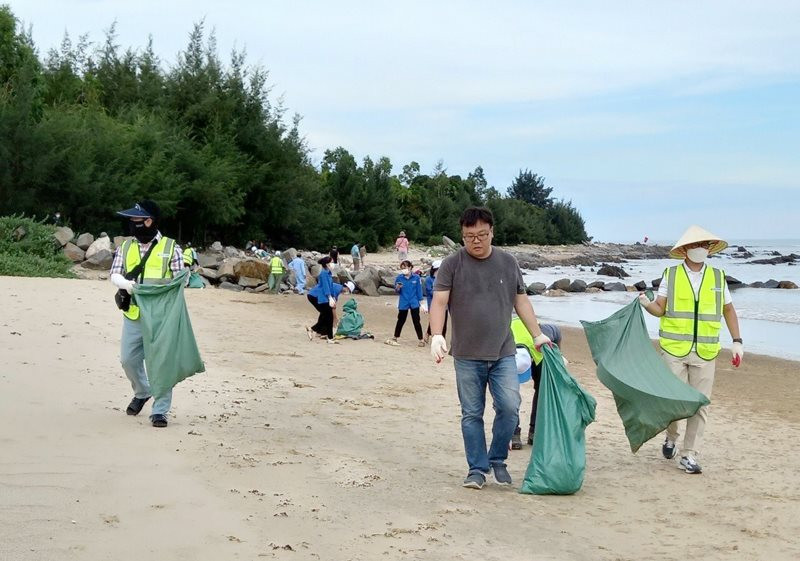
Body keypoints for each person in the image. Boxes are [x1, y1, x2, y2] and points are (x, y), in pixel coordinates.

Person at [429, 206, 551, 489]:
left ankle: (497, 459)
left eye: (482, 234)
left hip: (503, 352)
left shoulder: (508, 263)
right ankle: (477, 469)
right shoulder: (452, 264)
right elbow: (439, 301)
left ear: (492, 232)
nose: (476, 240)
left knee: (510, 407)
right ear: (462, 236)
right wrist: (437, 334)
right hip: (467, 355)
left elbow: (521, 301)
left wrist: (537, 335)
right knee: (472, 414)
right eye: (469, 236)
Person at [639, 225, 743, 474]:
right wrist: (645, 304)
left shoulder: (718, 277)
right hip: (674, 349)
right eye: (697, 245)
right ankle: (671, 437)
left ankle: (689, 455)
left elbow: (728, 309)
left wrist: (737, 341)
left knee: (700, 404)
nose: (702, 249)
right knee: (674, 402)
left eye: (705, 245)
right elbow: (660, 309)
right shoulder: (671, 275)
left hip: (706, 352)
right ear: (685, 249)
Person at [109, 200, 184, 428]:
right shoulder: (126, 247)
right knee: (128, 359)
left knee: (161, 363)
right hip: (133, 314)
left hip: (162, 317)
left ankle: (160, 410)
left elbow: (181, 280)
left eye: (136, 221)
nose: (132, 225)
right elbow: (114, 274)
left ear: (149, 221)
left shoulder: (172, 248)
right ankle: (143, 391)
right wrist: (127, 285)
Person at [510, 321, 562, 449]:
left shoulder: (548, 332)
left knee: (542, 389)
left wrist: (558, 355)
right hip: (512, 351)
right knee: (510, 393)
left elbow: (557, 335)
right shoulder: (505, 341)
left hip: (539, 348)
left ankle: (535, 432)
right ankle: (513, 432)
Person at [306, 256, 352, 343]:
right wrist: (330, 297)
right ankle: (328, 337)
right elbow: (326, 287)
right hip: (319, 297)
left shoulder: (328, 273)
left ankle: (314, 330)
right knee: (328, 316)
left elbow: (330, 286)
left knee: (326, 315)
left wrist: (331, 298)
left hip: (323, 297)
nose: (333, 264)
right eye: (331, 262)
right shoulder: (324, 273)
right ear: (327, 264)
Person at [385, 260, 426, 347]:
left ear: (410, 267)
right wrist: (398, 287)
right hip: (403, 301)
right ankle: (395, 337)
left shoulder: (416, 278)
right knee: (401, 320)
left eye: (406, 268)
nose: (404, 270)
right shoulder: (399, 278)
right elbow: (397, 291)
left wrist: (422, 303)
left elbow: (419, 291)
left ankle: (421, 339)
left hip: (414, 302)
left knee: (416, 321)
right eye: (402, 268)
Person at [424, 260, 447, 342]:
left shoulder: (445, 279)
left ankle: (442, 338)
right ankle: (428, 333)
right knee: (434, 321)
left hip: (444, 304)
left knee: (444, 322)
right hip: (433, 304)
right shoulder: (428, 279)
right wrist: (441, 292)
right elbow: (430, 291)